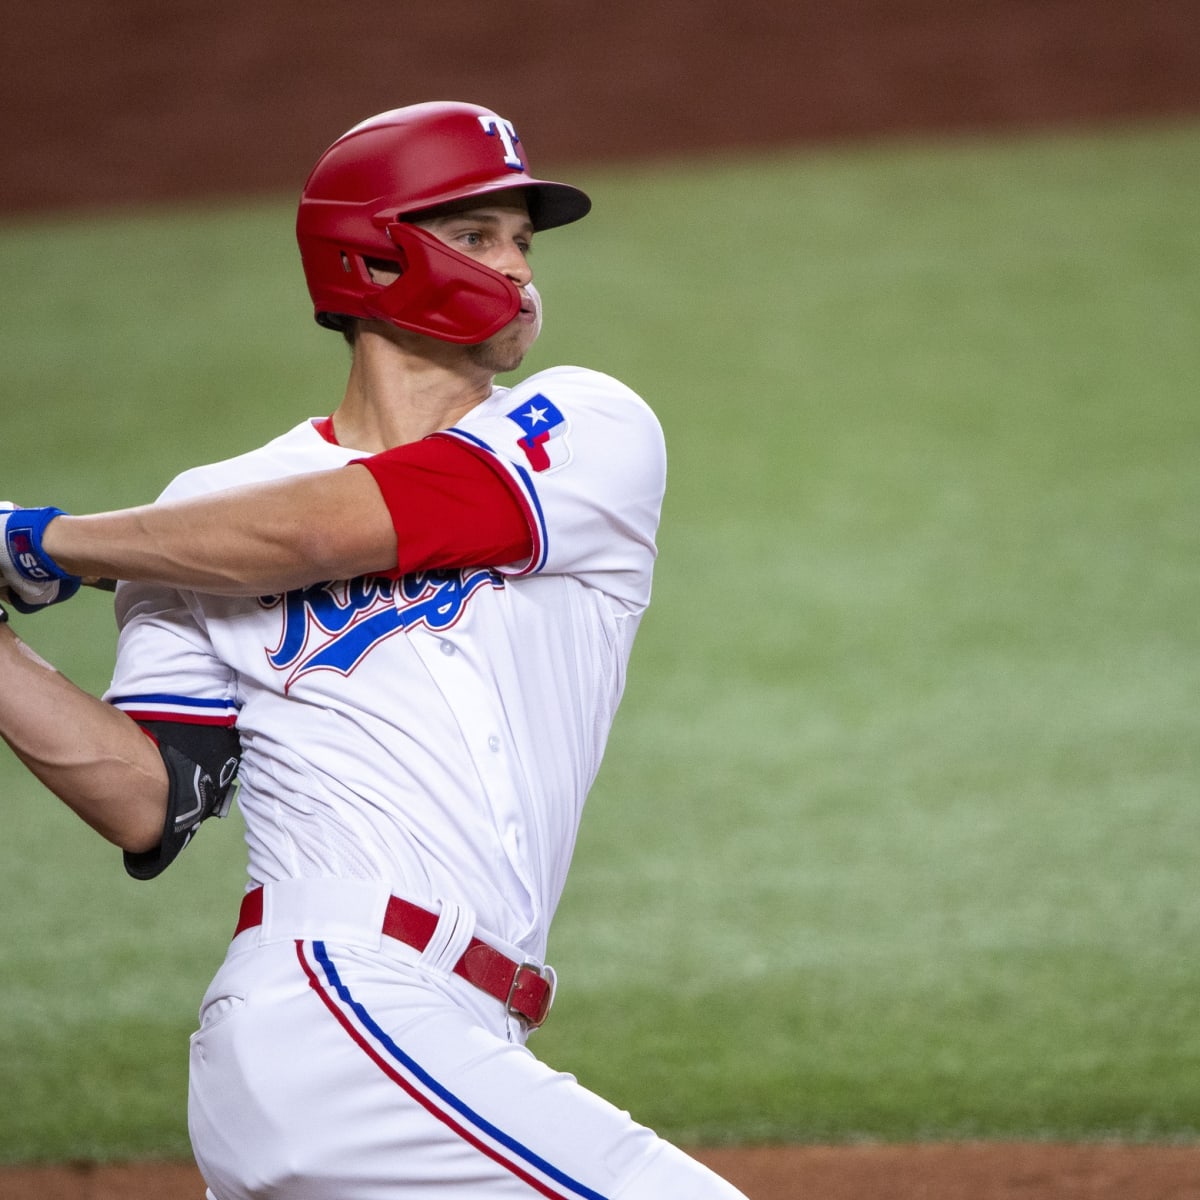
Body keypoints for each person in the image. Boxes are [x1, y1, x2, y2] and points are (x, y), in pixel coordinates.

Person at [0, 102, 748, 1200]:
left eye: (525, 241)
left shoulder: (587, 427)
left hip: (451, 1034)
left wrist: (45, 542)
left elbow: (323, 528)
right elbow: (145, 800)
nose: (518, 271)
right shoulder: (199, 516)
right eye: (479, 235)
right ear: (372, 254)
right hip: (331, 1006)